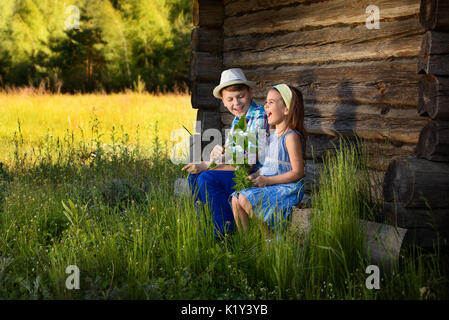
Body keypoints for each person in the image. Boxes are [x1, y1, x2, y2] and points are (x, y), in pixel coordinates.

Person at [182, 68, 268, 235]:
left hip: (254, 173)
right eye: (230, 99)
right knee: (193, 177)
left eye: (240, 96)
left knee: (208, 178)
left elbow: (249, 160)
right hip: (237, 169)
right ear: (223, 101)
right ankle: (208, 228)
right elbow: (231, 152)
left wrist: (209, 165)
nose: (236, 103)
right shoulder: (237, 121)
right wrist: (219, 152)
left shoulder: (259, 116)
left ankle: (225, 234)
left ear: (250, 92)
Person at [231, 84, 307, 234]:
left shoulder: (290, 137)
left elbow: (298, 173)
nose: (265, 106)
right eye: (266, 102)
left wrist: (267, 180)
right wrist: (255, 175)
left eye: (271, 102)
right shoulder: (271, 136)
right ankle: (248, 244)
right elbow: (269, 166)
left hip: (287, 188)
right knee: (235, 198)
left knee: (246, 198)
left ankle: (269, 240)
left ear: (287, 109)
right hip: (272, 185)